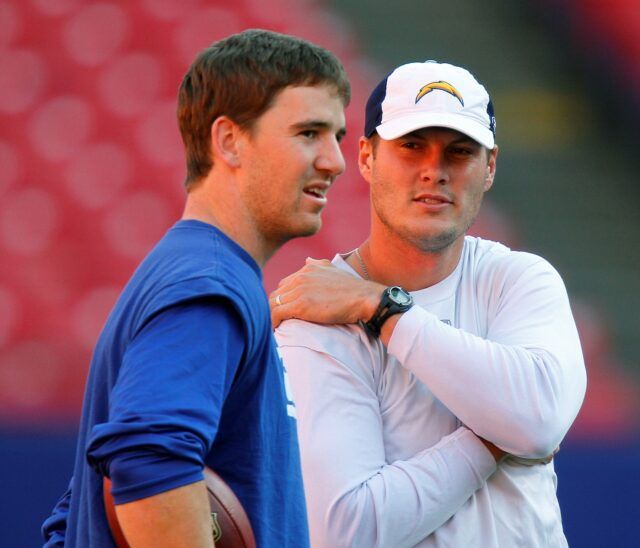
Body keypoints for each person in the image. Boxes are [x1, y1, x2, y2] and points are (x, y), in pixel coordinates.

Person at [41, 29, 349, 548]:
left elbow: (80, 508)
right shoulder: (210, 283)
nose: (334, 160)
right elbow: (146, 457)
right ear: (228, 140)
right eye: (309, 133)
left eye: (337, 136)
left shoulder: (196, 270)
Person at [271, 61, 586, 547]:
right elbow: (347, 530)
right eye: (411, 146)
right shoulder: (317, 320)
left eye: (459, 152)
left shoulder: (520, 279)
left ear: (491, 167)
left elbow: (538, 420)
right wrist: (493, 438)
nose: (434, 171)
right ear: (367, 157)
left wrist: (380, 307)